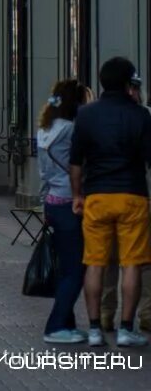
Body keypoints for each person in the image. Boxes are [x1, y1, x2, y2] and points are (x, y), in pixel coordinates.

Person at [68, 57, 151, 348]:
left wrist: (77, 195)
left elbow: (76, 162)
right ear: (130, 84)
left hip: (97, 197)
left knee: (95, 264)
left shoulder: (86, 116)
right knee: (131, 264)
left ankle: (93, 330)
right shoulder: (141, 116)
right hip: (132, 196)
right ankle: (127, 329)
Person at [37, 78, 89, 343]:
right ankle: (56, 326)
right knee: (76, 268)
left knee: (66, 266)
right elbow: (80, 164)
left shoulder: (45, 129)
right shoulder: (71, 130)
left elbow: (43, 173)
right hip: (71, 202)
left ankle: (67, 324)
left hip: (52, 201)